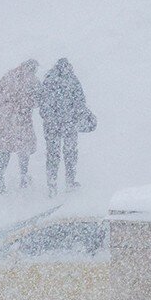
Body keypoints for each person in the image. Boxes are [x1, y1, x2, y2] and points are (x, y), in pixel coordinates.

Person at [0, 60, 42, 194]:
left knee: (4, 150)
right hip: (20, 120)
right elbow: (33, 101)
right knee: (23, 149)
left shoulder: (8, 76)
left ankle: (0, 179)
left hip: (3, 120)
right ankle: (23, 178)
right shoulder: (32, 80)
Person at [38, 58, 89, 197]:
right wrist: (78, 117)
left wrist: (49, 118)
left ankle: (52, 184)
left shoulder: (48, 80)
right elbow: (80, 103)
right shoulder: (72, 80)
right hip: (68, 124)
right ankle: (70, 182)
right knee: (70, 153)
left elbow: (42, 103)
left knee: (52, 154)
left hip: (52, 126)